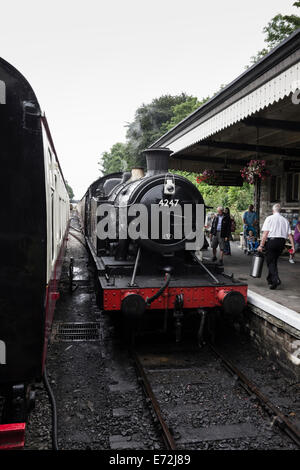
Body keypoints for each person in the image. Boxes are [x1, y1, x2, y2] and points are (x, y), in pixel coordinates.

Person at [258, 204, 295, 289]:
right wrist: (293, 246)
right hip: (281, 243)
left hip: (272, 242)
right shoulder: (285, 220)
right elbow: (290, 235)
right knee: (273, 261)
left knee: (270, 262)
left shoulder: (269, 218)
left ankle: (276, 279)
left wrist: (261, 245)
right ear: (280, 210)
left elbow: (265, 234)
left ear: (273, 210)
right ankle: (271, 280)